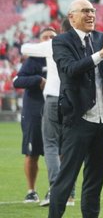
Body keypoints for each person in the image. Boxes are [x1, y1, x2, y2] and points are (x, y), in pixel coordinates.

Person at [48, 0, 103, 218]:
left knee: (95, 181)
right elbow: (69, 69)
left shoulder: (100, 38)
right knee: (66, 179)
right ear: (71, 17)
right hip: (78, 118)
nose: (91, 15)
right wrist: (102, 53)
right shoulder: (61, 41)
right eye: (85, 11)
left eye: (93, 11)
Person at [24, 20, 75, 208]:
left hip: (54, 98)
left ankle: (56, 190)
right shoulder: (82, 43)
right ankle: (70, 194)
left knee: (51, 146)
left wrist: (42, 42)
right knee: (70, 147)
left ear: (61, 31)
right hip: (73, 100)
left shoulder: (54, 43)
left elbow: (24, 48)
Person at [14, 27, 55, 204]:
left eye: (52, 37)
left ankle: (54, 189)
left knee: (58, 151)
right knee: (32, 152)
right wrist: (38, 80)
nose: (48, 40)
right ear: (39, 41)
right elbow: (17, 81)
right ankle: (31, 191)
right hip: (34, 112)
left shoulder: (60, 57)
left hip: (55, 110)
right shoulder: (33, 60)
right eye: (45, 37)